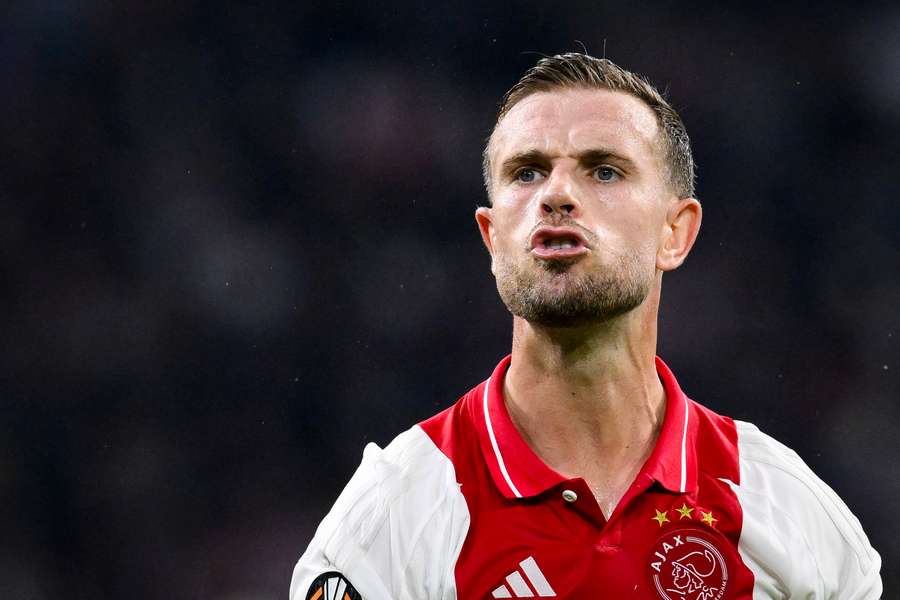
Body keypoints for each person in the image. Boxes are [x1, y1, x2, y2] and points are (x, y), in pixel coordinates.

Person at [289, 53, 882, 599]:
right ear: (492, 239)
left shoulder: (786, 511)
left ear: (675, 232)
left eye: (603, 171)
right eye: (526, 172)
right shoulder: (392, 518)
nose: (557, 194)